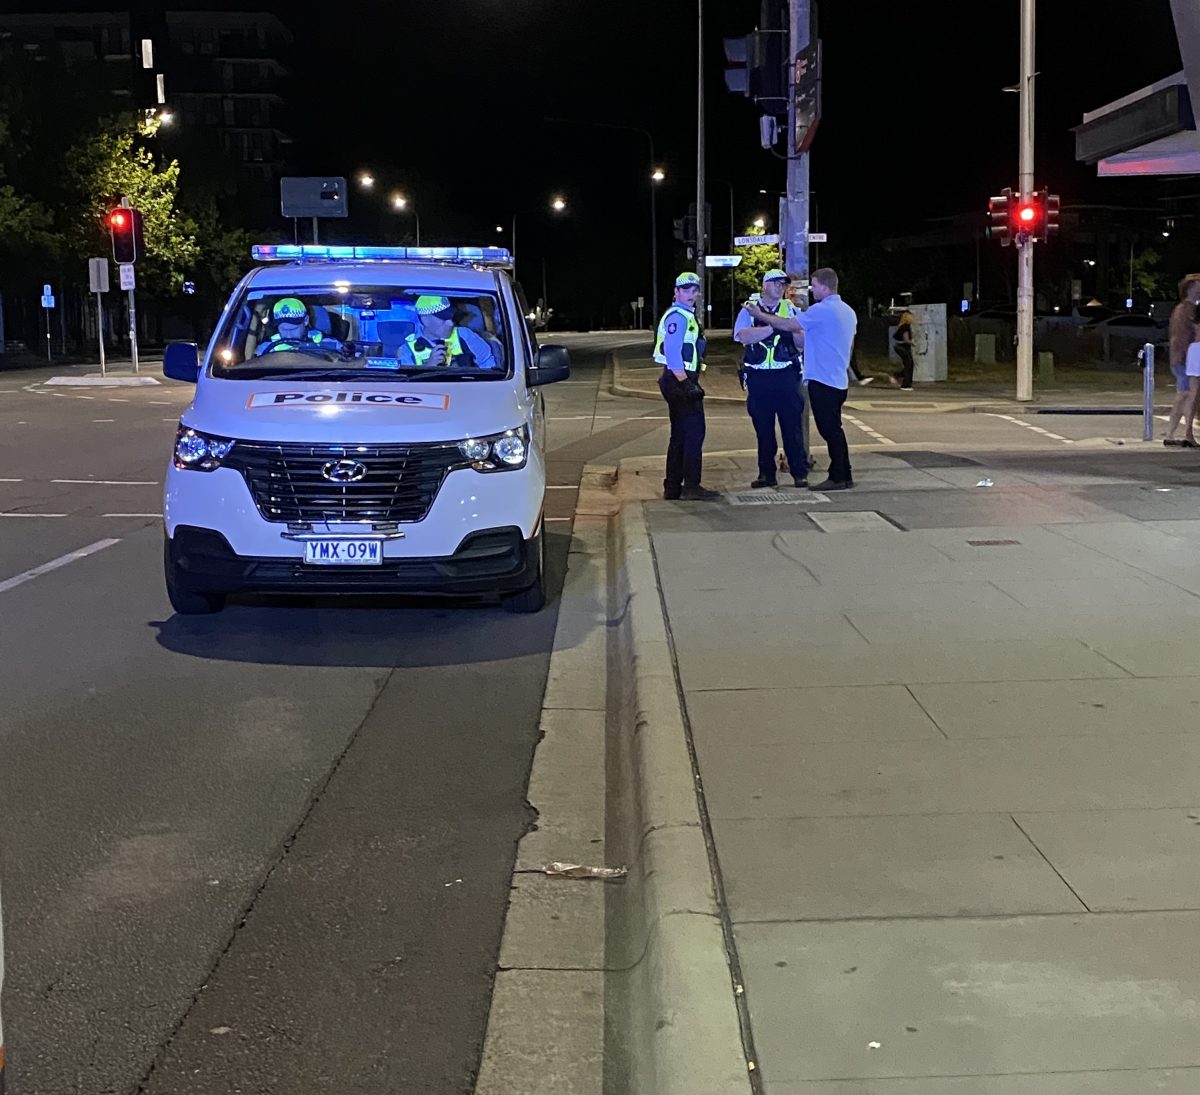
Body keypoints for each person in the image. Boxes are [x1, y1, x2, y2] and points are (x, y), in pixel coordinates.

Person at [746, 266, 857, 490]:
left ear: (825, 287)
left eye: (814, 286)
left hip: (823, 379)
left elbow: (789, 325)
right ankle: (843, 473)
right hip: (838, 377)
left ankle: (840, 475)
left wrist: (759, 316)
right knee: (834, 428)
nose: (812, 290)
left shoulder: (822, 310)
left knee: (830, 430)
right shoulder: (847, 311)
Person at [734, 269, 808, 488]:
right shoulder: (749, 309)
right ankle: (767, 474)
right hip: (759, 377)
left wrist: (776, 328)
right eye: (775, 282)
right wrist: (774, 327)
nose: (780, 286)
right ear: (764, 285)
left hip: (786, 374)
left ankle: (799, 472)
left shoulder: (790, 308)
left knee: (792, 428)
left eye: (783, 283)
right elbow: (742, 336)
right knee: (763, 430)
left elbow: (801, 342)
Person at [654, 272, 719, 501]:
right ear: (676, 292)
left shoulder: (684, 315)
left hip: (677, 379)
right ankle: (691, 486)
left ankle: (673, 487)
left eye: (695, 290)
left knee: (680, 435)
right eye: (686, 290)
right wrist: (686, 383)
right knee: (693, 433)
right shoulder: (678, 317)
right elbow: (672, 353)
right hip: (679, 380)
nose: (692, 294)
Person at [398, 295, 498, 369]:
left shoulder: (464, 335)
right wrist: (428, 365)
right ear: (425, 319)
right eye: (443, 318)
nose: (450, 323)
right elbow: (407, 385)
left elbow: (488, 362)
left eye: (450, 317)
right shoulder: (407, 349)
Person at [1163, 275, 1200, 447]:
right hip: (1185, 357)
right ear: (1191, 288)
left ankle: (1172, 434)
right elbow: (1180, 337)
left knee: (1183, 395)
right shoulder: (1185, 310)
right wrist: (1185, 357)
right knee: (1187, 394)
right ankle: (1186, 434)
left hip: (1183, 357)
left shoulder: (1187, 308)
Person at [256, 297, 329, 355]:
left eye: (293, 329)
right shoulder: (266, 348)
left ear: (306, 320)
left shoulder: (327, 343)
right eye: (283, 329)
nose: (288, 336)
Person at [889, 310, 916, 390]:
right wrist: (912, 343)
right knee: (909, 364)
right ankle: (906, 384)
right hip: (903, 347)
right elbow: (906, 339)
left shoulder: (902, 326)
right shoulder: (906, 326)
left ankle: (896, 375)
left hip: (899, 346)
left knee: (909, 364)